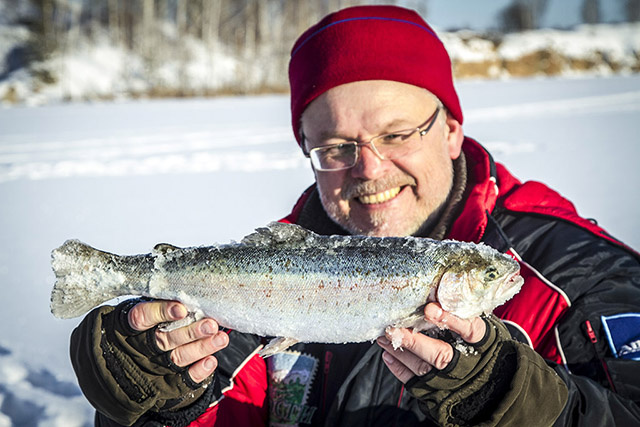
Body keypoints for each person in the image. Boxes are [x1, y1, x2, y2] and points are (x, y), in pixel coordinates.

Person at [70, 5, 640, 426]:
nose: (368, 168)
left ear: (451, 131)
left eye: (396, 133)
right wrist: (150, 400)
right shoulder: (272, 268)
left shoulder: (579, 276)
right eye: (337, 146)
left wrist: (521, 404)